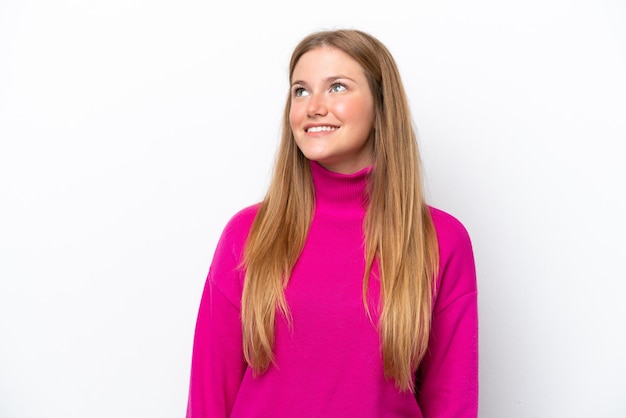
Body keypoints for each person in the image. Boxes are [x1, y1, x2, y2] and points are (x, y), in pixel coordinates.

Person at [186, 28, 478, 418]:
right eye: (301, 91)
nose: (313, 106)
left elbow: (452, 401)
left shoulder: (440, 241)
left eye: (337, 87)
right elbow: (208, 398)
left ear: (381, 108)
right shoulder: (249, 235)